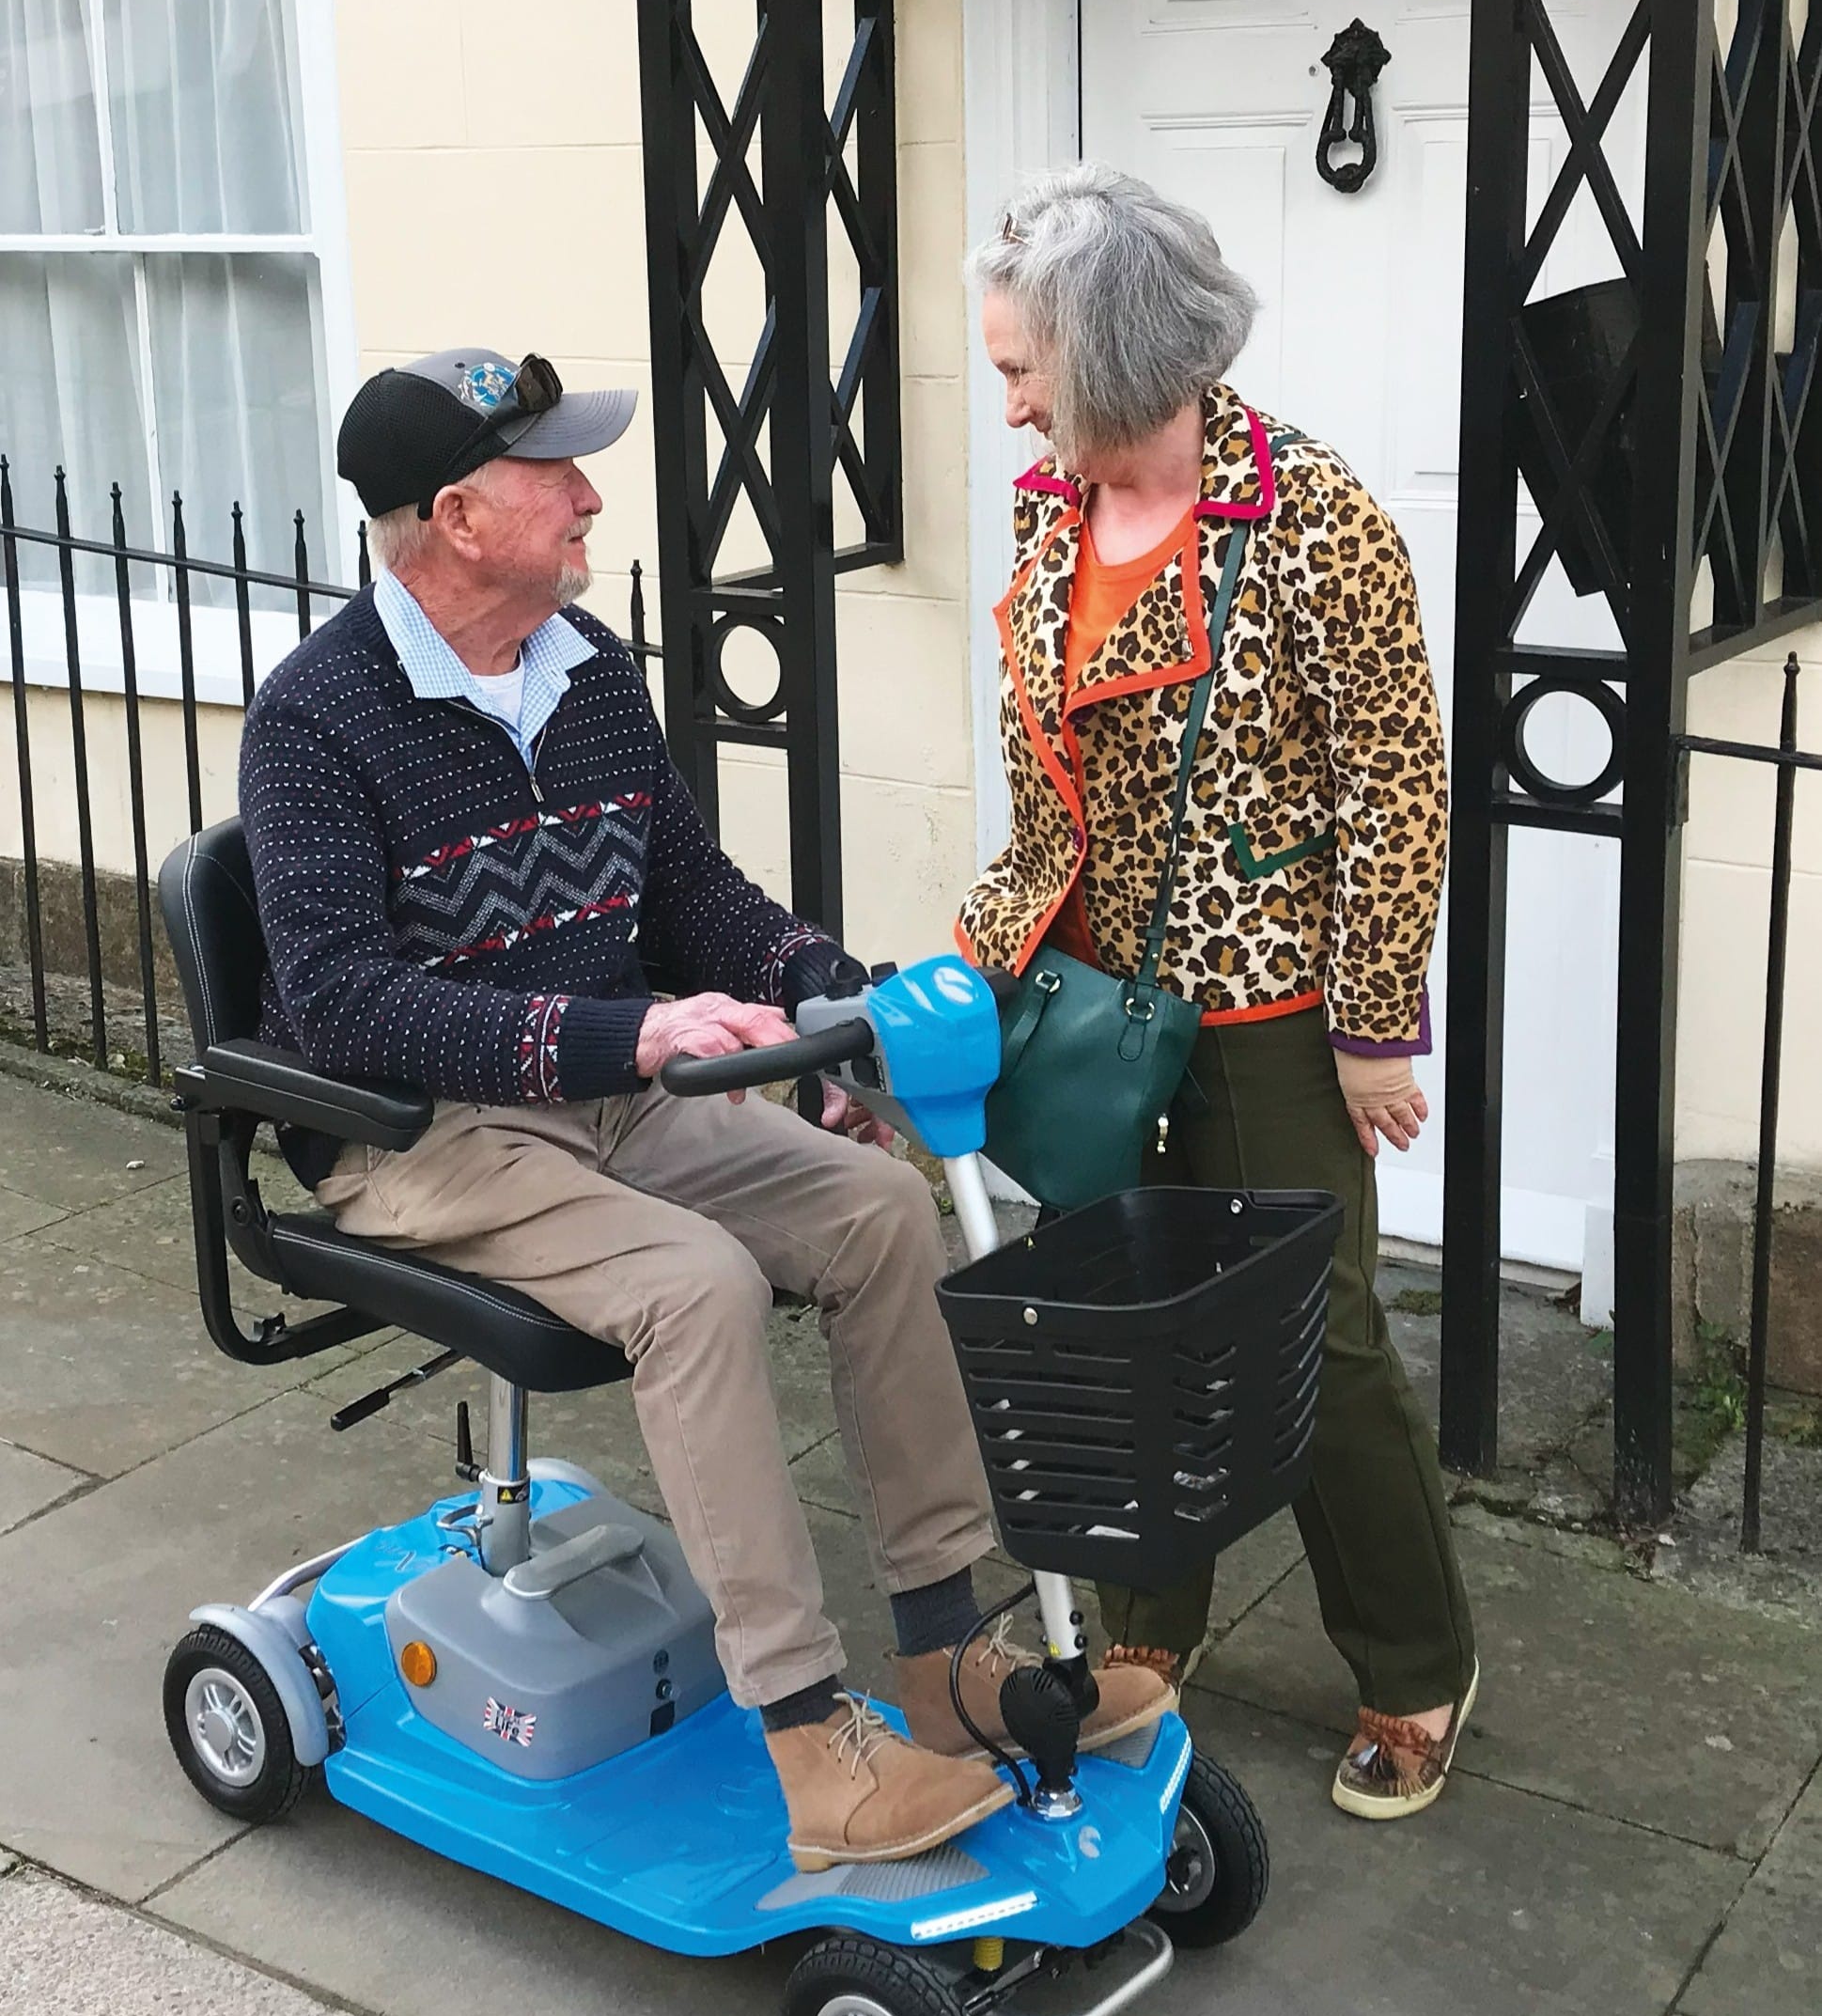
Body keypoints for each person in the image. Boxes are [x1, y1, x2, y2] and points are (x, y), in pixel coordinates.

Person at [238, 347, 1167, 1870]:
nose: (591, 495)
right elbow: (346, 1005)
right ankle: (810, 1738)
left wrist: (822, 993)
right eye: (557, 479)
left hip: (607, 1092)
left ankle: (941, 1656)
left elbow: (685, 892)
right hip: (421, 1134)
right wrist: (631, 1031)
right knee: (699, 1287)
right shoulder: (319, 722)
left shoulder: (585, 666)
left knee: (878, 1208)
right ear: (462, 518)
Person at [959, 169, 1479, 1820]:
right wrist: (980, 957)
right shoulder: (1056, 512)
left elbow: (1397, 780)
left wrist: (1378, 1020)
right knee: (1124, 1328)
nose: (1013, 400)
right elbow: (1049, 795)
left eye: (1025, 367)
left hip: (1266, 1013)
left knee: (1314, 1342)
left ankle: (1414, 1664)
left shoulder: (1311, 516)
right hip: (1104, 1000)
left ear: (1111, 350)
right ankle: (1146, 1627)